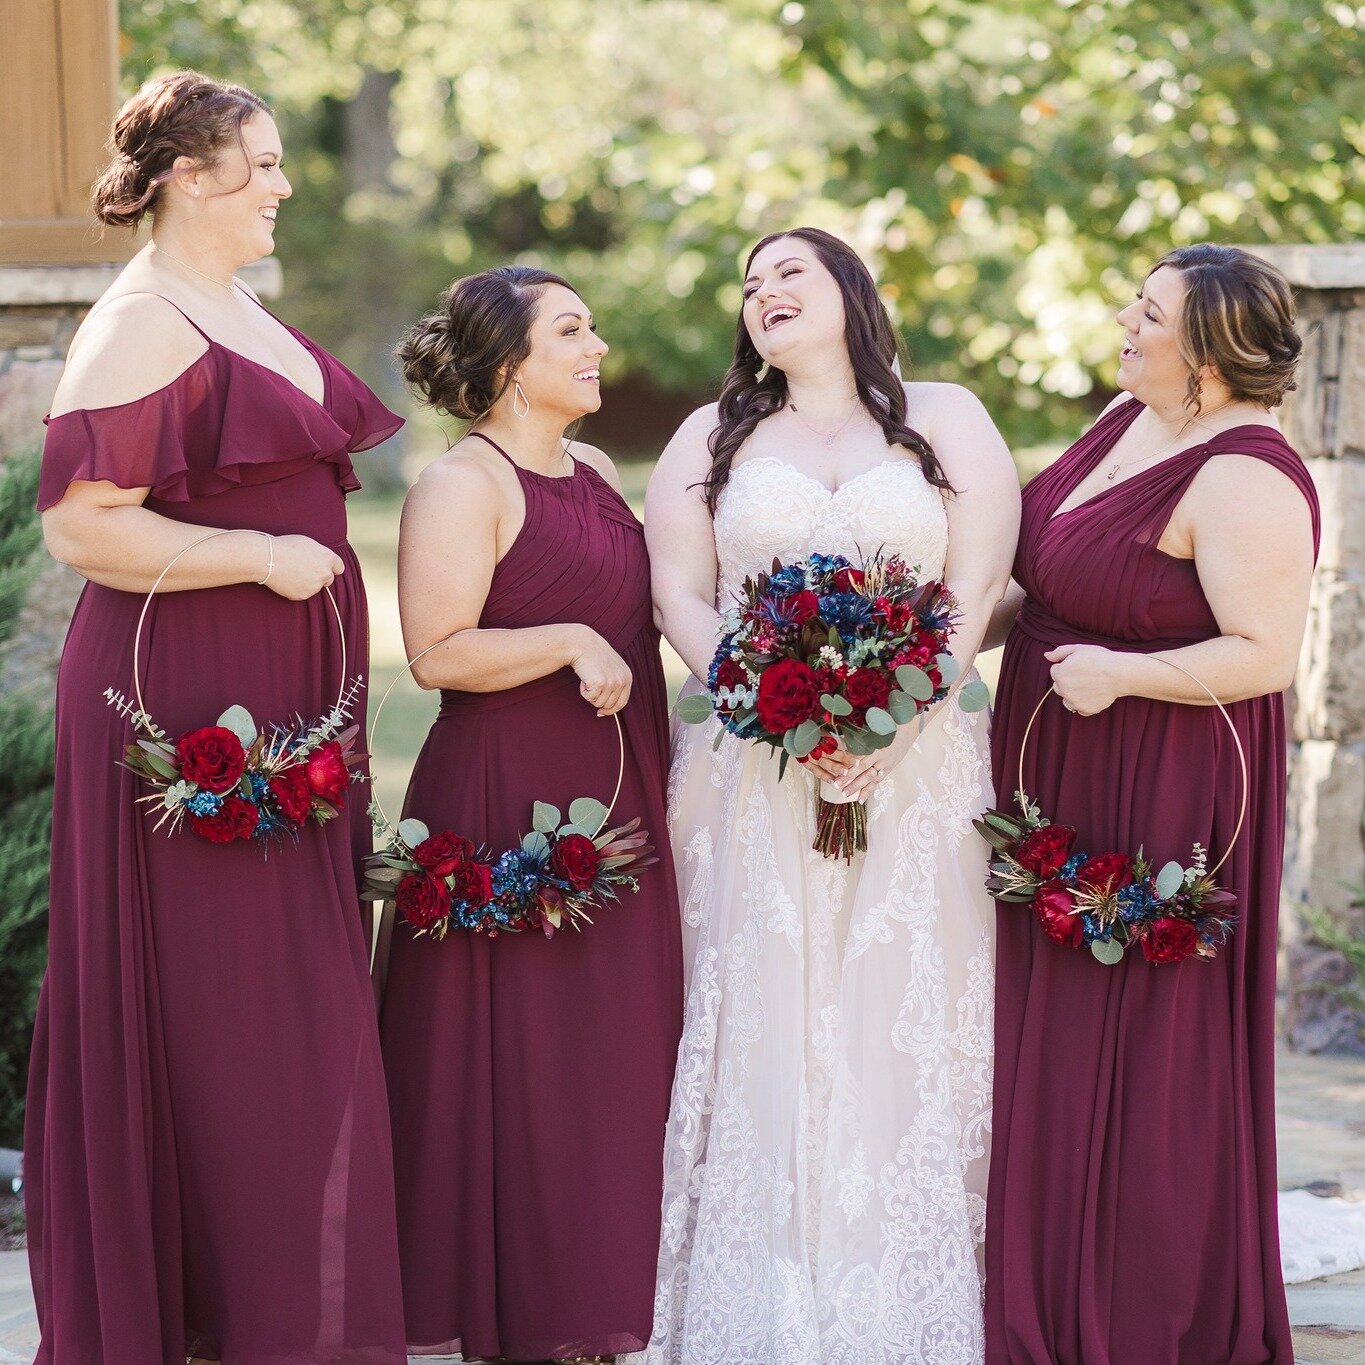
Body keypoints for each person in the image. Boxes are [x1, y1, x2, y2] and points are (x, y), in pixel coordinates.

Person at [27, 71, 406, 1363]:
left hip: (275, 692)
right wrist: (256, 558)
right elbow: (83, 524)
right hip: (180, 697)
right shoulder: (135, 323)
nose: (286, 185)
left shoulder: (230, 301)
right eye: (263, 163)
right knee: (236, 1014)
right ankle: (209, 1317)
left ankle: (277, 1310)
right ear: (190, 175)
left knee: (284, 1007)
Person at [644, 226, 1019, 1362]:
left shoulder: (946, 415)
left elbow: (976, 580)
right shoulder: (711, 435)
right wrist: (767, 705)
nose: (765, 294)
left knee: (908, 1004)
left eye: (788, 273)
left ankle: (909, 1291)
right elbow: (678, 588)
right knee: (759, 1000)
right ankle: (757, 1287)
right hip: (753, 769)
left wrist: (895, 726)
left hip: (920, 767)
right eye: (750, 286)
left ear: (850, 289)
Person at [984, 243, 1317, 1363]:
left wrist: (1125, 674)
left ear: (1212, 356)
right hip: (1059, 756)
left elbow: (1266, 656)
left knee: (1139, 1041)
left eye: (1152, 313)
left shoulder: (1246, 476)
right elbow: (1047, 572)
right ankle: (1032, 1266)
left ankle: (1133, 1309)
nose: (1127, 323)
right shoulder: (1128, 422)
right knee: (1047, 1026)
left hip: (1163, 780)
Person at [378, 266, 684, 1364]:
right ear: (509, 366)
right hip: (507, 802)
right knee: (520, 1062)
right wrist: (564, 641)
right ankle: (515, 1313)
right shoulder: (464, 483)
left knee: (611, 1050)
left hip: (618, 793)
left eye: (590, 324)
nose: (596, 345)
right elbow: (436, 649)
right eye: (571, 331)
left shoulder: (597, 469)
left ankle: (593, 1303)